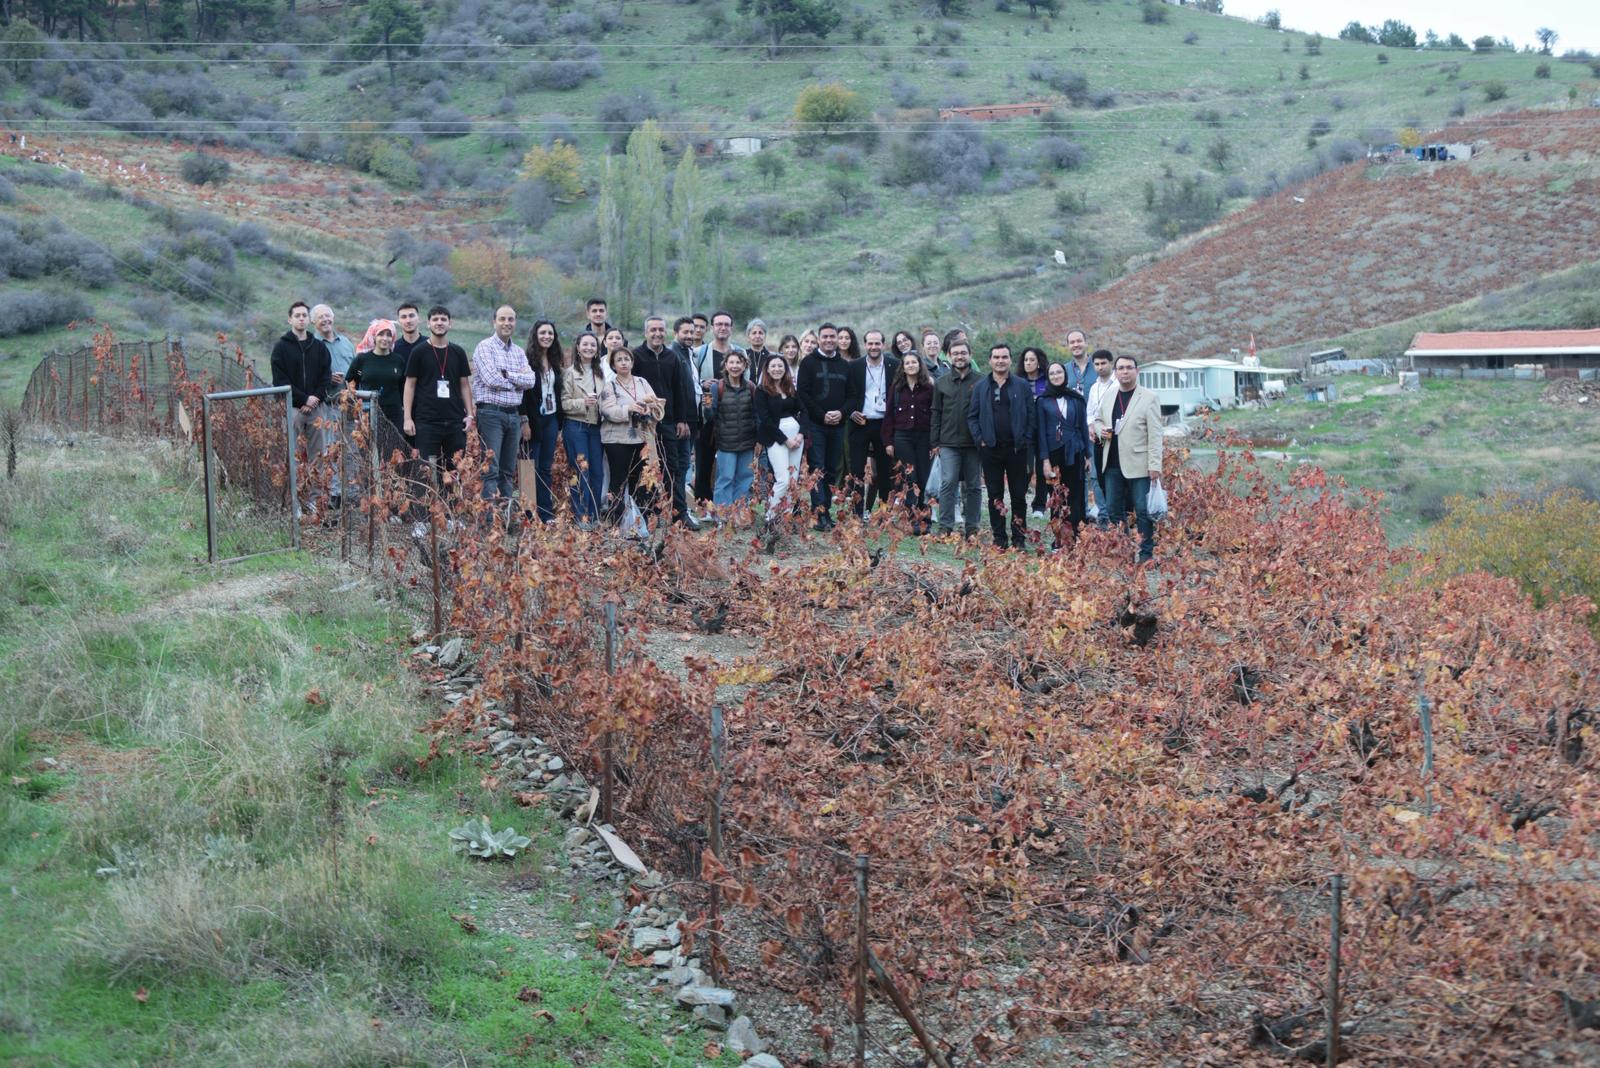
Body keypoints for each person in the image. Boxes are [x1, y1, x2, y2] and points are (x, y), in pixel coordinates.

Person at [1093, 354, 1163, 563]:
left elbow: (1156, 434)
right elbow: (1097, 420)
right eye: (1121, 368)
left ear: (1137, 371)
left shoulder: (1149, 397)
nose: (1125, 371)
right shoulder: (1109, 395)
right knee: (1114, 510)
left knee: (1143, 511)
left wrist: (1154, 465)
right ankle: (1123, 552)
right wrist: (1100, 430)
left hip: (1139, 465)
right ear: (1115, 372)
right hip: (1112, 463)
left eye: (1129, 368)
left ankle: (1146, 554)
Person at [967, 343, 1036, 551]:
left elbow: (1031, 415)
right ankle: (999, 539)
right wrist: (980, 439)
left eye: (1004, 357)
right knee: (995, 496)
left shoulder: (1021, 385)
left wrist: (1026, 438)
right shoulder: (980, 386)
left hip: (1017, 449)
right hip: (991, 450)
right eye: (996, 357)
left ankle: (1018, 538)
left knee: (1018, 496)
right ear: (990, 360)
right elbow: (972, 417)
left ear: (1010, 360)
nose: (1000, 360)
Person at [631, 317, 699, 529]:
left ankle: (679, 514)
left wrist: (682, 419)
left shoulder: (672, 357)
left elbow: (680, 390)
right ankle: (647, 515)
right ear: (646, 333)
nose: (657, 333)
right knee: (646, 468)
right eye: (653, 330)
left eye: (661, 329)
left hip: (669, 422)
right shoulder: (636, 356)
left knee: (674, 468)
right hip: (644, 424)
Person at [402, 306, 474, 500]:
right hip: (426, 420)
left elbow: (465, 385)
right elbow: (409, 385)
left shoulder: (458, 352)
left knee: (453, 469)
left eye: (443, 319)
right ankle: (422, 518)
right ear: (428, 323)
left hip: (454, 420)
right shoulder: (419, 352)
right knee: (424, 469)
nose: (439, 322)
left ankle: (450, 514)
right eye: (435, 319)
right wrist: (407, 418)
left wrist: (469, 414)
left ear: (450, 323)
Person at [271, 300, 332, 516]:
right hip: (293, 408)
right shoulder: (281, 348)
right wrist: (303, 398)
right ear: (290, 319)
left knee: (318, 456)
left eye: (304, 315)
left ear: (309, 319)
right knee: (294, 455)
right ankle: (295, 501)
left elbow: (326, 377)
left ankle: (314, 501)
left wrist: (315, 397)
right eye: (297, 315)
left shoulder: (319, 347)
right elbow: (279, 380)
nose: (301, 319)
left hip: (316, 410)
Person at [471, 305, 536, 505]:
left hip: (513, 416)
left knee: (508, 471)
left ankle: (505, 519)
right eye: (502, 319)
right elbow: (491, 379)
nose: (507, 323)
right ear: (494, 322)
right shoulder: (485, 347)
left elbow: (531, 381)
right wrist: (517, 382)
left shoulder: (518, 352)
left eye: (511, 319)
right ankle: (489, 522)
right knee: (491, 469)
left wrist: (507, 375)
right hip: (491, 414)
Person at [598, 349, 664, 529]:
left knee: (642, 480)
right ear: (613, 365)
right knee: (619, 480)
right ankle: (617, 519)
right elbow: (607, 410)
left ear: (632, 362)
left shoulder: (642, 382)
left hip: (641, 439)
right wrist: (629, 408)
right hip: (617, 440)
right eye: (619, 360)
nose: (624, 362)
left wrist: (650, 408)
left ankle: (643, 517)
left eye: (627, 359)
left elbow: (657, 404)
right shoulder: (609, 386)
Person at [796, 322, 849, 531]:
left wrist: (841, 413)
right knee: (817, 467)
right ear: (819, 338)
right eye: (825, 336)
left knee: (831, 468)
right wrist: (822, 414)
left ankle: (825, 509)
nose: (828, 340)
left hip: (838, 425)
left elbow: (853, 395)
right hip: (816, 425)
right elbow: (803, 393)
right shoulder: (809, 363)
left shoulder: (845, 365)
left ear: (836, 339)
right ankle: (818, 513)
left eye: (832, 336)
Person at [929, 335, 982, 539]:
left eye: (963, 353)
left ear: (970, 355)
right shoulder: (942, 383)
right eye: (955, 353)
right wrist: (935, 442)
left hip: (973, 443)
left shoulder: (981, 380)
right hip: (948, 442)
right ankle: (945, 526)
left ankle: (972, 528)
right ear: (949, 356)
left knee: (973, 485)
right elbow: (936, 412)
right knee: (948, 483)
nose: (959, 357)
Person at [692, 311, 744, 508]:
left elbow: (746, 382)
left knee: (730, 465)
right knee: (704, 462)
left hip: (733, 418)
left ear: (731, 328)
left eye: (726, 324)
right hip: (707, 417)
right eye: (719, 324)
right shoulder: (700, 353)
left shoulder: (740, 352)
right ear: (712, 328)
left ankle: (729, 505)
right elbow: (690, 380)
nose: (723, 327)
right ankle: (703, 505)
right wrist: (702, 382)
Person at [1037, 360, 1092, 547]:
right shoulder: (1043, 401)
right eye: (1051, 374)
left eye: (1058, 372)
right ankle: (1059, 540)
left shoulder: (1076, 399)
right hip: (1053, 454)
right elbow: (1041, 432)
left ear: (1064, 374)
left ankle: (1075, 539)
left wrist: (1087, 455)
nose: (1055, 376)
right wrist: (1044, 460)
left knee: (1076, 496)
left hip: (1075, 451)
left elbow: (1083, 427)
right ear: (1048, 377)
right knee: (1056, 498)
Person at [844, 329, 898, 519]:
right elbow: (846, 394)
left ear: (883, 345)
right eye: (870, 343)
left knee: (885, 470)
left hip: (884, 424)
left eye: (877, 343)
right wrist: (850, 412)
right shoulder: (854, 366)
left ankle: (883, 513)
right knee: (857, 470)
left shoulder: (894, 365)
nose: (874, 347)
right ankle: (858, 513)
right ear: (865, 344)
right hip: (860, 422)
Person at [882, 350, 934, 534]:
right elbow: (888, 415)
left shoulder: (929, 387)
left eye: (914, 362)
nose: (911, 365)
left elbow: (935, 414)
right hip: (902, 437)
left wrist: (934, 441)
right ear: (903, 367)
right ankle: (912, 519)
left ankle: (925, 518)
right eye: (907, 363)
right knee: (909, 477)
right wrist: (888, 441)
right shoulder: (896, 388)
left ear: (920, 365)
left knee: (924, 477)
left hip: (923, 437)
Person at [311, 304, 357, 509]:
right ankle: (332, 495)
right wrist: (326, 379)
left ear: (333, 317)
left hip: (349, 406)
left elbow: (356, 370)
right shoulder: (312, 345)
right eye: (320, 317)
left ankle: (351, 493)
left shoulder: (346, 343)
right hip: (327, 406)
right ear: (314, 322)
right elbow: (307, 377)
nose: (325, 320)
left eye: (327, 315)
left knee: (351, 450)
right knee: (329, 450)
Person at [520, 319, 564, 523]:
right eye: (543, 333)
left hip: (551, 419)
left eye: (550, 333)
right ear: (535, 336)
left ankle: (545, 513)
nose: (547, 336)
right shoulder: (526, 360)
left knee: (545, 467)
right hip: (533, 420)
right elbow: (521, 394)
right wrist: (524, 421)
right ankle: (528, 513)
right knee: (529, 466)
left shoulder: (555, 361)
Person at [562, 331, 608, 526]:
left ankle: (595, 515)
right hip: (576, 427)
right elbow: (564, 404)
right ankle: (582, 516)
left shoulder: (601, 373)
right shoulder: (570, 373)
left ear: (597, 350)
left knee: (597, 472)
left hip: (596, 428)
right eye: (585, 345)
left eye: (593, 345)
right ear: (578, 348)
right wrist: (583, 403)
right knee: (582, 472)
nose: (589, 348)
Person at [754, 353, 805, 527]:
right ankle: (771, 517)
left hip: (796, 437)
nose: (777, 369)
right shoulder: (761, 391)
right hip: (776, 438)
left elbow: (804, 412)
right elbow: (765, 420)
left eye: (780, 366)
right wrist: (785, 440)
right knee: (783, 478)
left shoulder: (790, 387)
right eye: (773, 366)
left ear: (785, 369)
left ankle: (785, 519)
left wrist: (800, 434)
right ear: (767, 369)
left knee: (793, 480)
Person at [706, 351, 757, 518]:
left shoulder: (750, 387)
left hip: (747, 442)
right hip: (726, 443)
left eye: (739, 363)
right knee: (725, 478)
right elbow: (711, 416)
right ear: (726, 366)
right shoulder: (717, 387)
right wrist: (706, 407)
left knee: (745, 478)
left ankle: (739, 514)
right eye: (732, 362)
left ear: (744, 366)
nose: (735, 366)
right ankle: (722, 515)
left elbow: (756, 415)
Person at [669, 316, 707, 525]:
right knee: (680, 468)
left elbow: (692, 386)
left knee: (683, 467)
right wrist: (681, 419)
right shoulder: (673, 355)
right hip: (681, 422)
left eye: (692, 332)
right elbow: (677, 391)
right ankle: (679, 514)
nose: (690, 336)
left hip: (692, 420)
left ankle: (681, 511)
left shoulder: (689, 354)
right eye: (685, 332)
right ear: (676, 333)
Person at [347, 319, 406, 442]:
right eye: (381, 334)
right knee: (370, 451)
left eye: (389, 335)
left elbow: (403, 387)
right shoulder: (362, 360)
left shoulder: (398, 360)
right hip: (368, 413)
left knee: (394, 452)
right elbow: (351, 383)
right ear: (374, 336)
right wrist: (357, 410)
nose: (385, 338)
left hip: (394, 414)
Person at [1018, 346, 1052, 520]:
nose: (1028, 363)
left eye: (1032, 360)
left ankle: (1039, 505)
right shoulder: (1017, 381)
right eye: (1025, 360)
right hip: (1024, 432)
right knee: (1026, 468)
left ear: (1039, 362)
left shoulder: (1047, 381)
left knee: (1042, 468)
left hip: (1044, 431)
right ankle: (1019, 499)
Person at [1085, 349, 1116, 527]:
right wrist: (1091, 426)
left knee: (1113, 476)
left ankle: (1116, 514)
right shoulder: (1094, 387)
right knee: (1096, 477)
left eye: (1103, 363)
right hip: (1095, 437)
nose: (1100, 367)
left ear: (1110, 363)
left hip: (1114, 437)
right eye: (1096, 364)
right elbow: (1090, 412)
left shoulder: (1118, 384)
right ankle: (1103, 514)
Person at [1063, 329, 1093, 395]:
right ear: (1068, 346)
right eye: (1072, 342)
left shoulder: (1098, 366)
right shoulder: (1064, 370)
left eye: (1079, 341)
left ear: (1086, 343)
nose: (1076, 345)